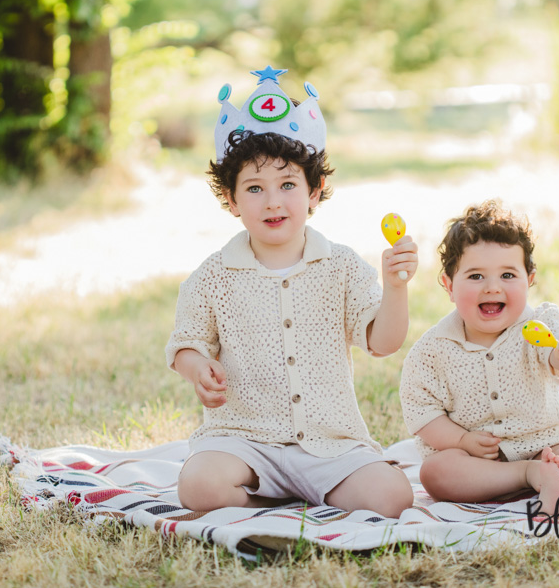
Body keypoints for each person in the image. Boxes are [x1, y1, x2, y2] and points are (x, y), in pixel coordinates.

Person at [167, 66, 417, 518]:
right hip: (242, 442)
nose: (273, 202)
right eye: (254, 188)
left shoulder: (340, 265)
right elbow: (186, 343)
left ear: (314, 192)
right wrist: (198, 368)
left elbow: (384, 342)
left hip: (330, 444)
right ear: (231, 198)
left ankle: (302, 493)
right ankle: (265, 498)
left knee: (392, 496)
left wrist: (395, 287)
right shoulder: (213, 276)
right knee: (198, 485)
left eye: (287, 185)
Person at [400, 200, 559, 513]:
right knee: (435, 472)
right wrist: (462, 441)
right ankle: (526, 476)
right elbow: (422, 413)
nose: (492, 288)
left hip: (546, 443)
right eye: (476, 276)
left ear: (529, 280)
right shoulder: (432, 350)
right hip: (477, 459)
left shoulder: (539, 326)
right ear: (449, 286)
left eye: (508, 275)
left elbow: (556, 355)